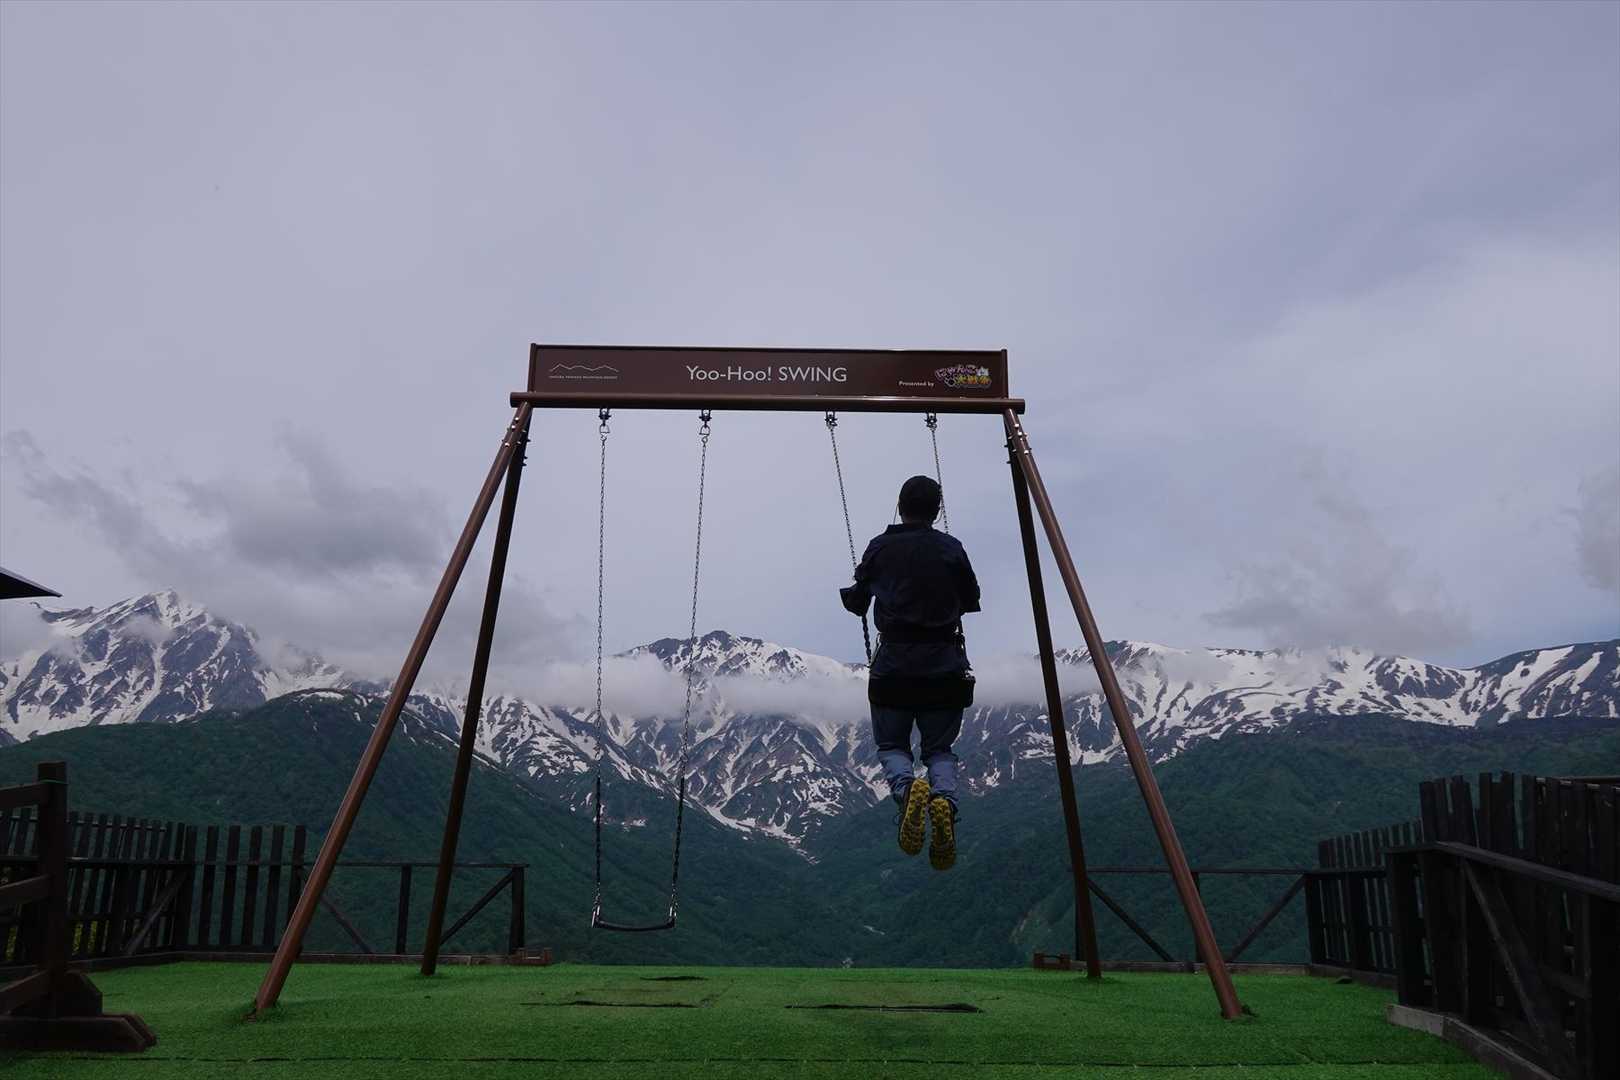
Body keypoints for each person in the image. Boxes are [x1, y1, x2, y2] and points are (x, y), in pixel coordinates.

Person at [839, 475, 980, 870]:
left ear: (900, 506)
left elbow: (856, 603)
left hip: (894, 666)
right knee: (939, 750)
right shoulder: (951, 548)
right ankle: (944, 800)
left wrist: (866, 583)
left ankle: (906, 790)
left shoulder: (880, 547)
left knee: (892, 745)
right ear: (937, 510)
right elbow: (970, 599)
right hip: (945, 664)